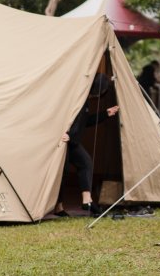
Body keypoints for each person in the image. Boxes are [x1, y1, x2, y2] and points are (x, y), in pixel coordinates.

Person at [56, 73, 120, 217]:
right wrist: (66, 134)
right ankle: (58, 207)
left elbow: (85, 121)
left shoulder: (84, 100)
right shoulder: (77, 98)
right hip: (64, 140)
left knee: (85, 163)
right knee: (62, 173)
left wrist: (105, 114)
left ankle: (87, 200)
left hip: (72, 141)